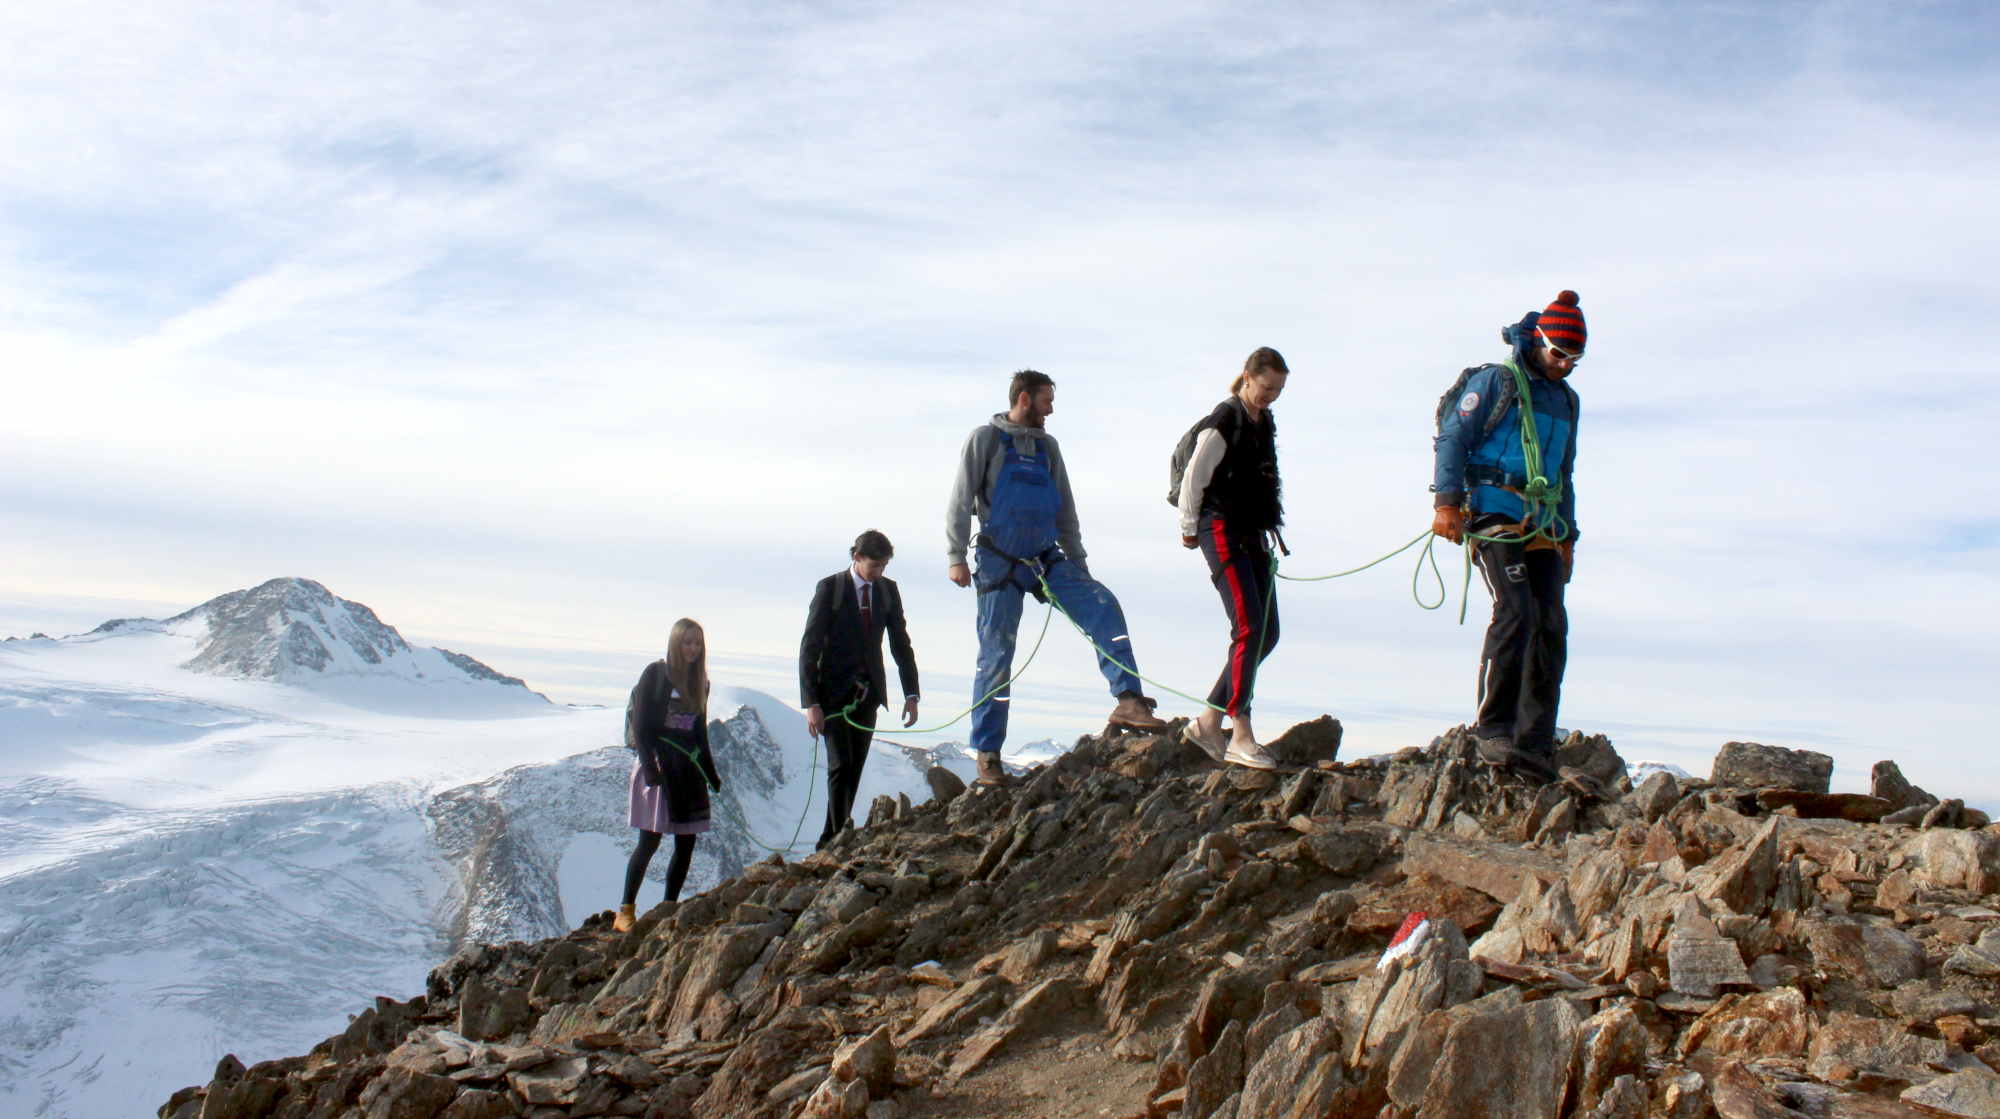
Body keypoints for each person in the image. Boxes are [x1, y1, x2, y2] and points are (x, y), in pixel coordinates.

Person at [946, 369, 1169, 787]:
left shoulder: (1049, 448)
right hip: (999, 561)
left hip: (1047, 557)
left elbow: (1065, 510)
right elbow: (960, 500)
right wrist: (956, 556)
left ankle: (1129, 700)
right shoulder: (985, 439)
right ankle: (989, 755)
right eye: (1047, 400)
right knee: (996, 655)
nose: (1051, 409)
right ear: (1025, 399)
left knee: (1103, 605)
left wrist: (1079, 564)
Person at [1430, 290, 1585, 782]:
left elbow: (1564, 470)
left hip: (1544, 523)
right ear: (1538, 341)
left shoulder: (1566, 400)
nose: (1565, 365)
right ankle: (1493, 728)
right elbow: (1454, 438)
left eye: (1575, 359)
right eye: (1559, 354)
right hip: (1493, 511)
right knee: (1515, 609)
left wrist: (1569, 537)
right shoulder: (1498, 381)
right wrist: (1446, 503)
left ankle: (1536, 741)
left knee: (1551, 623)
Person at [1178, 347, 1289, 770]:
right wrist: (1189, 528)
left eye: (1278, 390)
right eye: (1266, 387)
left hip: (1254, 533)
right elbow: (1195, 475)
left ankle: (1207, 721)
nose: (1271, 396)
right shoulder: (1224, 419)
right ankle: (1239, 733)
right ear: (1247, 377)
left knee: (1268, 632)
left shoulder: (1265, 422)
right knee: (1249, 628)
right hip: (1221, 529)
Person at [799, 529, 921, 850]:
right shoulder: (831, 589)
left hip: (868, 695)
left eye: (884, 566)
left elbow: (900, 643)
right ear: (857, 557)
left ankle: (830, 837)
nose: (879, 572)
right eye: (875, 565)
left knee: (854, 767)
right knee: (840, 765)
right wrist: (810, 701)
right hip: (832, 696)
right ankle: (840, 835)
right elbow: (809, 647)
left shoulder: (888, 591)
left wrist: (912, 693)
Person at [614, 618, 722, 932]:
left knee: (686, 843)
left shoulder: (701, 681)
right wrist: (649, 768)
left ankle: (668, 908)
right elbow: (642, 726)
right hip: (660, 765)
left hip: (687, 768)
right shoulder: (656, 674)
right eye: (687, 642)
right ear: (676, 643)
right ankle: (625, 910)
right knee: (649, 840)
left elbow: (699, 731)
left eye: (697, 643)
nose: (692, 648)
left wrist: (710, 772)